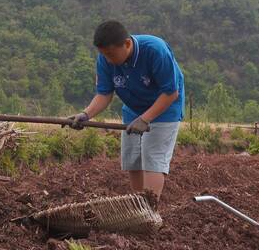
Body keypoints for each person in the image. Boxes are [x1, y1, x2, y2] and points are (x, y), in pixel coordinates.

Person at [67, 20, 184, 199]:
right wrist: (85, 114)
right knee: (133, 159)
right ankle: (138, 208)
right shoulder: (105, 59)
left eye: (110, 54)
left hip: (164, 109)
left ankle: (150, 210)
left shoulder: (155, 50)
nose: (107, 59)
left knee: (152, 158)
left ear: (127, 44)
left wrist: (145, 119)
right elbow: (104, 94)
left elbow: (170, 93)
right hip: (133, 109)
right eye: (103, 54)